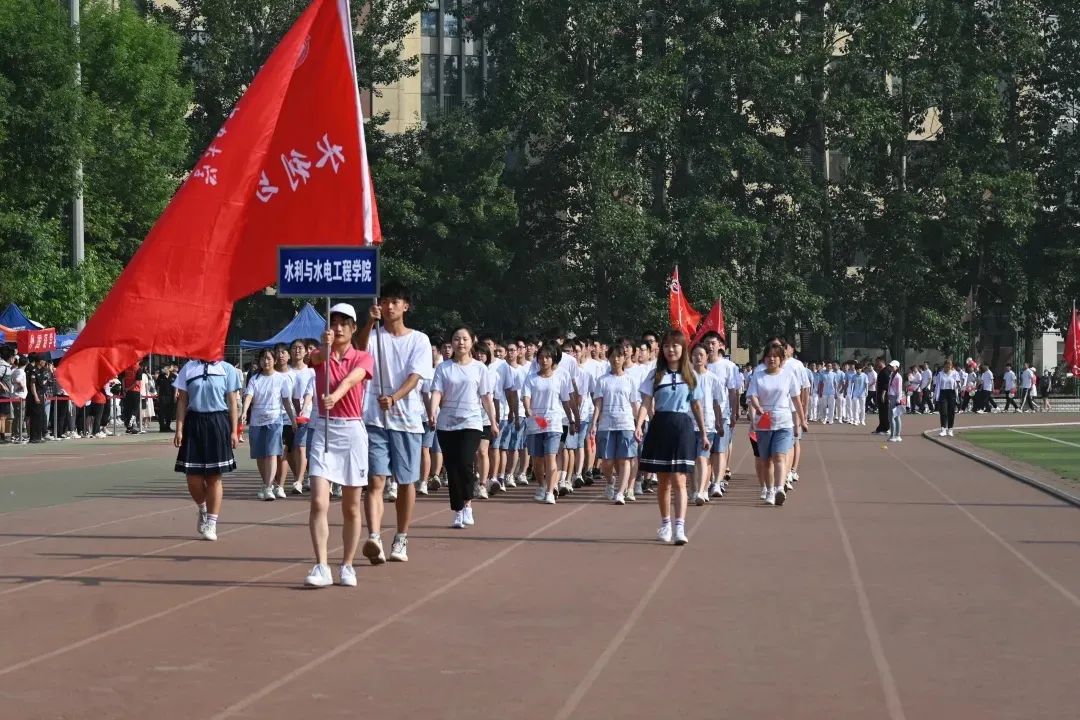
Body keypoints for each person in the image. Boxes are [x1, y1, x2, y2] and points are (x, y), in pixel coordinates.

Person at [355, 282, 433, 564]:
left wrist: (394, 397)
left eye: (395, 301)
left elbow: (416, 376)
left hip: (407, 420)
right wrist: (368, 322)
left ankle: (401, 537)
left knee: (405, 481)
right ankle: (374, 537)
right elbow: (359, 350)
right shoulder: (375, 335)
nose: (389, 306)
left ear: (405, 306)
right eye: (385, 301)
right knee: (375, 479)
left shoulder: (419, 340)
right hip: (374, 419)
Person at [303, 303, 375, 588]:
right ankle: (321, 565)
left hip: (352, 431)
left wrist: (337, 394)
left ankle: (347, 565)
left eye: (345, 323)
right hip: (324, 429)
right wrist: (324, 346)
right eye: (334, 323)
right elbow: (316, 358)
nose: (339, 328)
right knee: (318, 501)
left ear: (354, 328)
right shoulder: (319, 355)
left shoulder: (363, 357)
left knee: (351, 507)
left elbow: (353, 378)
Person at [635, 330, 710, 546]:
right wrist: (638, 425)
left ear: (683, 348)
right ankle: (666, 524)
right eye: (667, 346)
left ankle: (680, 527)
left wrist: (703, 432)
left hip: (682, 427)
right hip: (660, 426)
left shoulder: (690, 375)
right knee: (664, 481)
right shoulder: (655, 375)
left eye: (675, 345)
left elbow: (696, 405)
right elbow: (646, 402)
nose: (671, 350)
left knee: (679, 479)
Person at [429, 327, 499, 528]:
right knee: (452, 468)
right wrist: (432, 412)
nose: (460, 342)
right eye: (456, 339)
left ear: (472, 342)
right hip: (447, 424)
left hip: (471, 423)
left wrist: (493, 422)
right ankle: (458, 510)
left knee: (466, 462)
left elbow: (486, 397)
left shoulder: (479, 368)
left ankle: (468, 503)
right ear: (451, 342)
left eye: (464, 339)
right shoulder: (443, 368)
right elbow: (437, 392)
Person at [173, 356, 243, 542]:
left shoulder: (227, 369)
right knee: (192, 478)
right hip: (193, 423)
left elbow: (232, 402)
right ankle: (203, 509)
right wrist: (179, 429)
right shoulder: (189, 368)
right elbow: (182, 401)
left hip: (217, 422)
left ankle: (211, 522)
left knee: (214, 477)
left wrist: (234, 431)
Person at [746, 344, 805, 506]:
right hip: (764, 420)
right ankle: (770, 490)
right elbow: (752, 395)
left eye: (775, 356)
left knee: (779, 456)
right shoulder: (758, 376)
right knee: (766, 460)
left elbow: (796, 399)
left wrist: (802, 419)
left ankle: (779, 489)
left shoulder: (788, 375)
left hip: (783, 421)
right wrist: (758, 407)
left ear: (781, 359)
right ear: (764, 358)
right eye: (768, 356)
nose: (771, 359)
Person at [521, 342, 577, 505]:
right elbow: (526, 396)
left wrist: (572, 420)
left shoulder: (560, 377)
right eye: (541, 357)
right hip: (536, 423)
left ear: (553, 360)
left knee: (551, 456)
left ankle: (550, 491)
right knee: (537, 459)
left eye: (547, 357)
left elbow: (566, 401)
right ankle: (541, 485)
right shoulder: (531, 378)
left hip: (553, 423)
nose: (544, 360)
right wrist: (527, 408)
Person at [241, 348, 296, 501]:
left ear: (274, 361)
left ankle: (269, 486)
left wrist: (292, 419)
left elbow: (286, 401)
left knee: (272, 453)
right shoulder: (255, 379)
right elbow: (249, 396)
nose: (266, 361)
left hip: (275, 420)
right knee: (260, 455)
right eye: (263, 359)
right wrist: (244, 411)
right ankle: (266, 484)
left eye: (269, 358)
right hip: (257, 421)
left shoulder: (281, 379)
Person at [590, 343, 640, 504]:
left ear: (624, 358)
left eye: (619, 356)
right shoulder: (602, 380)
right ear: (608, 358)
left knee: (625, 459)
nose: (615, 359)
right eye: (612, 356)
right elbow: (598, 404)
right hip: (606, 424)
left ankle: (620, 492)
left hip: (626, 424)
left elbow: (634, 404)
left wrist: (639, 425)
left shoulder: (630, 380)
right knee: (607, 461)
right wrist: (594, 423)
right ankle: (610, 481)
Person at [935, 359, 962, 436]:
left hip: (952, 393)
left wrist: (959, 386)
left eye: (949, 366)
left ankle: (950, 429)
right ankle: (943, 429)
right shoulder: (940, 374)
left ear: (951, 366)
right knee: (943, 412)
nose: (948, 368)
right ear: (944, 366)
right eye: (946, 366)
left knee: (951, 412)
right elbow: (937, 386)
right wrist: (936, 396)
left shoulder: (955, 373)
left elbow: (958, 383)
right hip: (943, 393)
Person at [887, 360, 904, 442]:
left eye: (892, 366)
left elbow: (899, 389)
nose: (891, 367)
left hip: (895, 398)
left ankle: (894, 436)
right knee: (895, 416)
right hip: (891, 397)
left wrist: (898, 399)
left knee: (893, 416)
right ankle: (896, 435)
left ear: (897, 367)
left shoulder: (898, 377)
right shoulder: (892, 374)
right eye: (890, 366)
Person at [873, 357, 890, 434]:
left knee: (884, 412)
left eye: (877, 362)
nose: (876, 364)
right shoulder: (881, 371)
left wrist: (883, 394)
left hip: (884, 395)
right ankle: (880, 428)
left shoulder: (885, 371)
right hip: (880, 394)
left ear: (881, 362)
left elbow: (886, 384)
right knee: (881, 412)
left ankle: (886, 428)